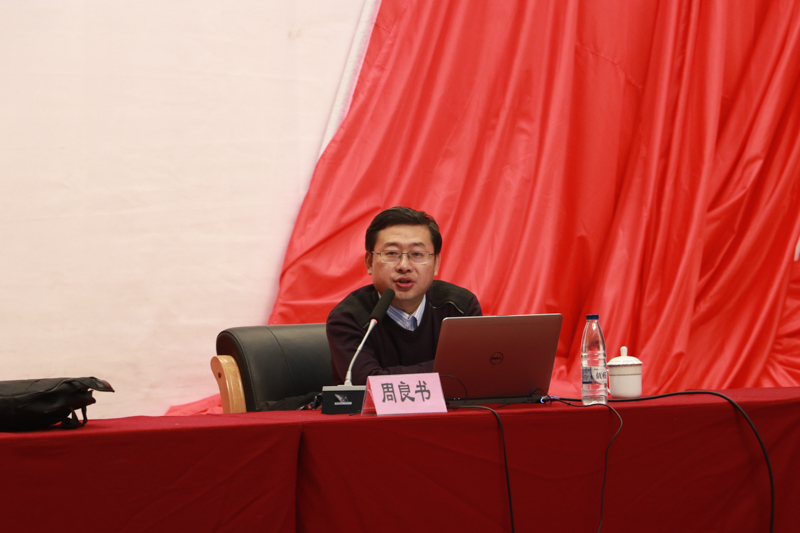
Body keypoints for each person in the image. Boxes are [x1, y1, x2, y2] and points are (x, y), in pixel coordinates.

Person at [326, 206, 482, 385]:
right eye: (392, 253)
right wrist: (449, 369)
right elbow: (368, 386)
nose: (404, 266)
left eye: (417, 254)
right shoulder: (349, 318)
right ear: (369, 262)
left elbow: (476, 372)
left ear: (436, 263)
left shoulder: (459, 307)